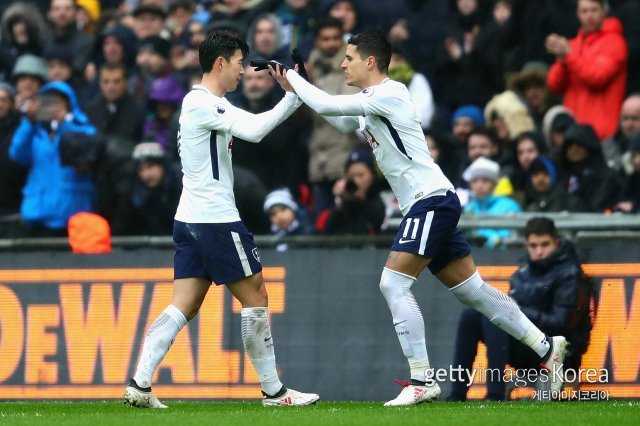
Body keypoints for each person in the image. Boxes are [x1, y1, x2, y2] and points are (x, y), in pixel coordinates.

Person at [274, 30, 569, 406]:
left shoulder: (391, 93)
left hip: (429, 200)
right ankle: (547, 349)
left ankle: (421, 379)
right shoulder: (371, 101)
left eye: (349, 58)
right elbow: (343, 121)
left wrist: (297, 79)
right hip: (431, 202)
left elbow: (332, 106)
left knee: (393, 284)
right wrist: (301, 87)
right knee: (473, 291)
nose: (343, 64)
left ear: (370, 62)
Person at [123, 30, 319, 409]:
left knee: (185, 304)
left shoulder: (200, 104)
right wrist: (293, 96)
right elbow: (256, 131)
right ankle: (274, 392)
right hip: (215, 220)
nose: (243, 72)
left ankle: (140, 384)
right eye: (239, 63)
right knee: (256, 297)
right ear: (220, 62)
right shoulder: (201, 103)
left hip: (190, 218)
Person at [448, 217, 592, 401]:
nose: (538, 251)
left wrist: (519, 311)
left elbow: (560, 324)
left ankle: (495, 395)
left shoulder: (570, 273)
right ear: (526, 246)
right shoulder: (522, 273)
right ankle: (457, 395)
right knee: (472, 315)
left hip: (559, 351)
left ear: (556, 243)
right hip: (527, 346)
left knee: (495, 316)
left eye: (544, 244)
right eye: (533, 245)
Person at [9, 81, 97, 236]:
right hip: (37, 213)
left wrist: (65, 124)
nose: (52, 107)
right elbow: (17, 154)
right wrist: (29, 122)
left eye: (58, 102)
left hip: (73, 214)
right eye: (47, 101)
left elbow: (84, 153)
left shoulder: (84, 129)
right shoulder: (34, 133)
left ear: (69, 104)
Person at [545, 0, 628, 140]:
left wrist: (568, 55)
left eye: (594, 10)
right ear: (578, 14)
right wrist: (562, 60)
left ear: (604, 12)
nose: (589, 16)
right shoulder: (573, 45)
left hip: (601, 132)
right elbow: (554, 84)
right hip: (573, 129)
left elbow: (597, 77)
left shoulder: (615, 43)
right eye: (584, 11)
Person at [462, 157, 522, 249]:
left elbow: (514, 235)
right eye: (475, 181)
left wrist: (494, 238)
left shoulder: (509, 205)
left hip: (504, 256)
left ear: (494, 184)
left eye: (485, 180)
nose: (479, 185)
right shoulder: (468, 208)